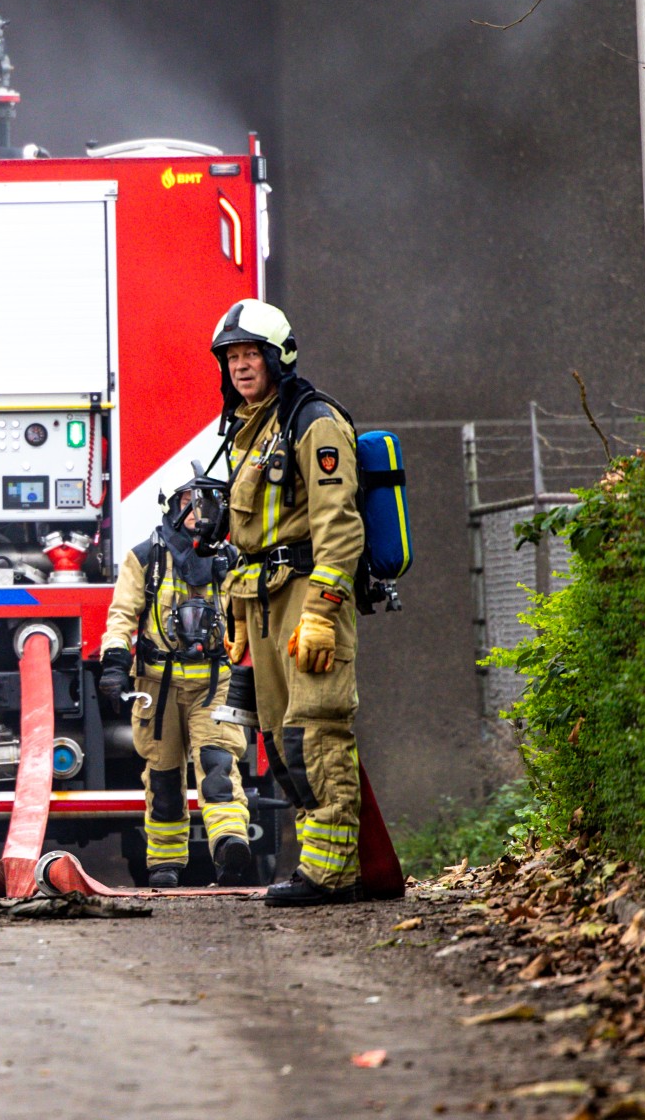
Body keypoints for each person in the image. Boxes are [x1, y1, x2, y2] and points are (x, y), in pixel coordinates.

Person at [211, 299, 365, 907]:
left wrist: (324, 609)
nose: (241, 367)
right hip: (264, 599)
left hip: (306, 596)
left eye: (251, 355)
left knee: (316, 732)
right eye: (232, 357)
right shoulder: (250, 426)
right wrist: (241, 615)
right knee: (279, 740)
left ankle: (333, 874)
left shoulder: (313, 420)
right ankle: (321, 866)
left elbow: (338, 524)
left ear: (279, 358)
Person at [97, 474, 254, 888]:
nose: (198, 510)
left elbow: (250, 618)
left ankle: (229, 845)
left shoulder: (231, 558)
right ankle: (164, 864)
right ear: (173, 504)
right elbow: (120, 617)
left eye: (206, 502)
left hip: (214, 683)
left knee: (218, 765)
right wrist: (114, 663)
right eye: (189, 500)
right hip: (157, 686)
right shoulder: (145, 557)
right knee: (164, 777)